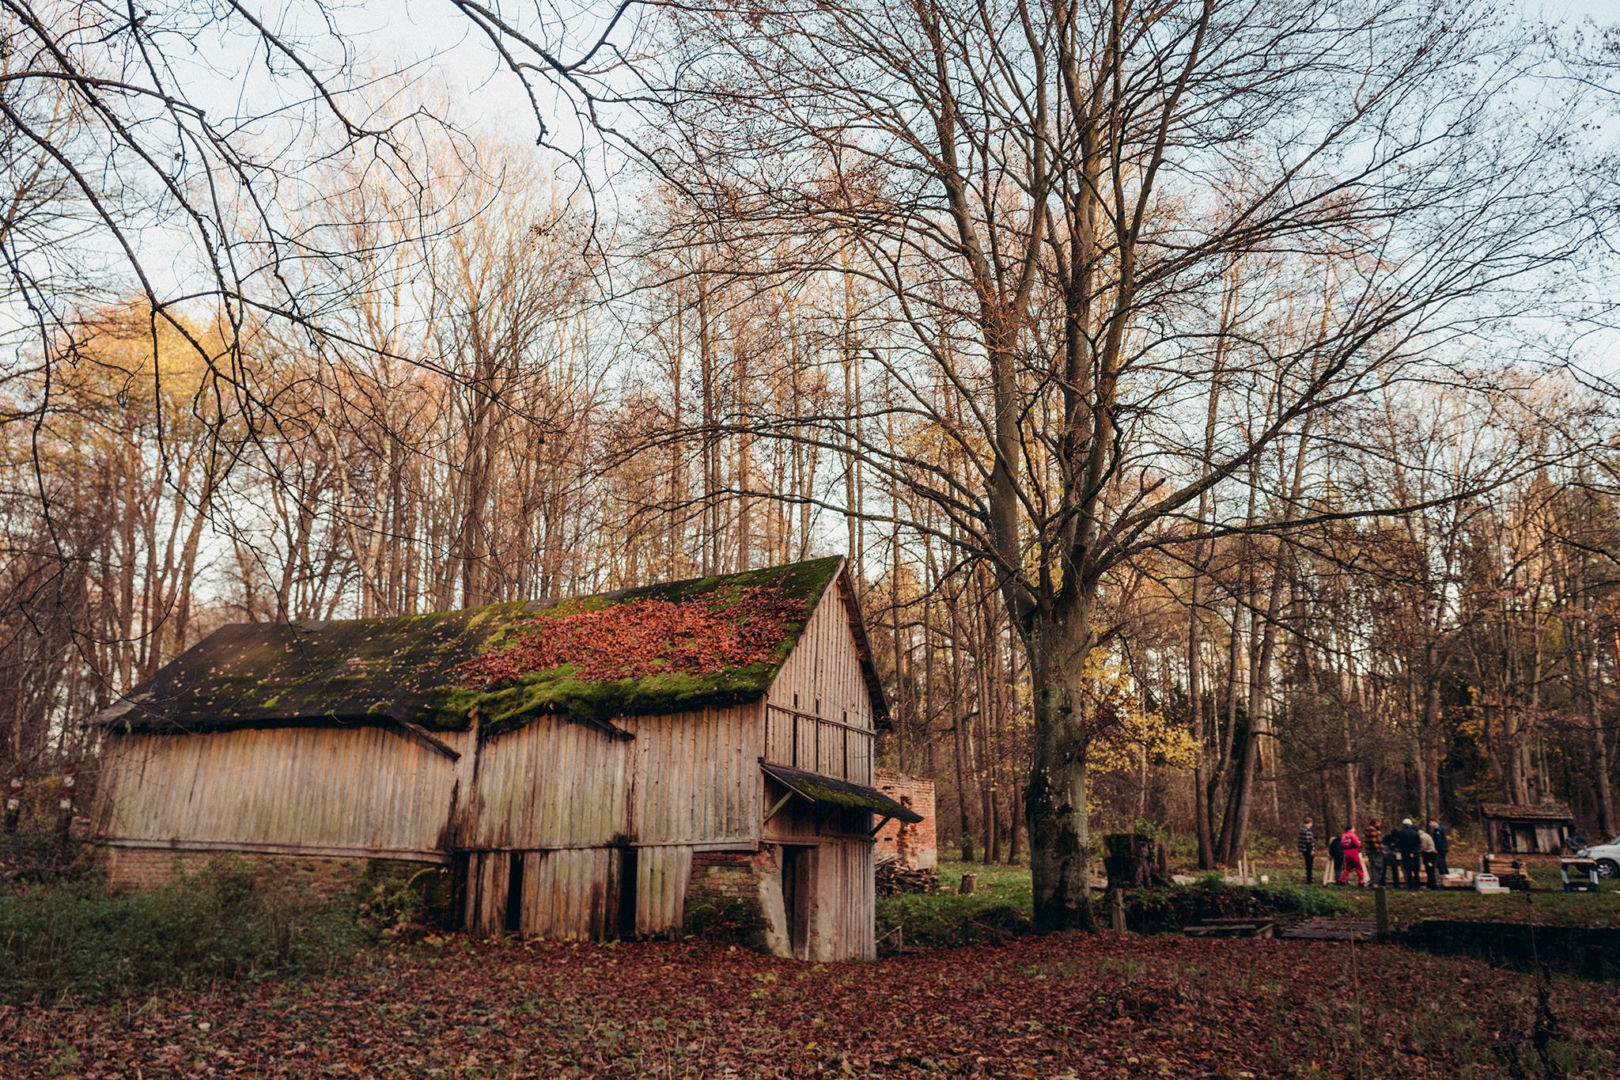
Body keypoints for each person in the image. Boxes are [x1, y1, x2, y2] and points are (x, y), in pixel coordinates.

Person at [1394, 818, 1422, 890]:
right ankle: (1417, 886)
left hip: (1405, 854)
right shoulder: (1415, 833)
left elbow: (1399, 844)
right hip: (1415, 854)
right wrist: (1414, 852)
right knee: (1416, 871)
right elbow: (1418, 844)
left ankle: (1410, 886)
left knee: (1408, 871)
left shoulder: (1401, 833)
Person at [1364, 818, 1391, 887]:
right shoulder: (1372, 830)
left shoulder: (1369, 829)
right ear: (1375, 823)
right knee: (1377, 866)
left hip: (1370, 851)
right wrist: (1381, 849)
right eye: (1379, 823)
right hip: (1375, 852)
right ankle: (1375, 883)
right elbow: (1374, 842)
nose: (1380, 824)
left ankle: (1374, 882)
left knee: (1374, 866)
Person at [1298, 817, 1316, 884]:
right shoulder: (1307, 830)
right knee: (1310, 865)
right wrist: (1312, 850)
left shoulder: (1301, 830)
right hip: (1308, 849)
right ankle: (1309, 880)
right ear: (1310, 823)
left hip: (1303, 849)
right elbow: (1309, 842)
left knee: (1307, 864)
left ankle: (1308, 879)